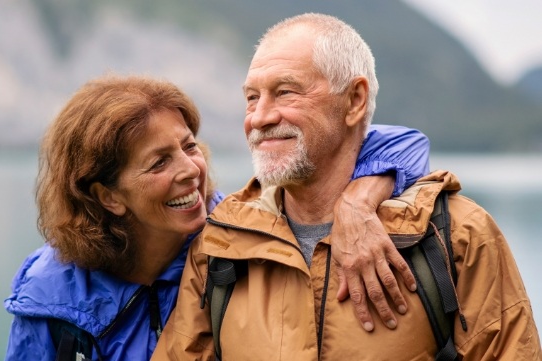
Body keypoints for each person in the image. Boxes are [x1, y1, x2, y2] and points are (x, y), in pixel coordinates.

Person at [152, 13, 541, 361]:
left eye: (286, 91)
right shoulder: (221, 241)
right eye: (252, 98)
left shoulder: (457, 234)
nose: (260, 117)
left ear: (354, 100)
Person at [3, 74, 431, 360]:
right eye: (159, 163)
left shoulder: (237, 234)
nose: (191, 170)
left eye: (189, 146)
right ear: (108, 197)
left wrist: (358, 201)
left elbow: (406, 142)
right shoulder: (52, 290)